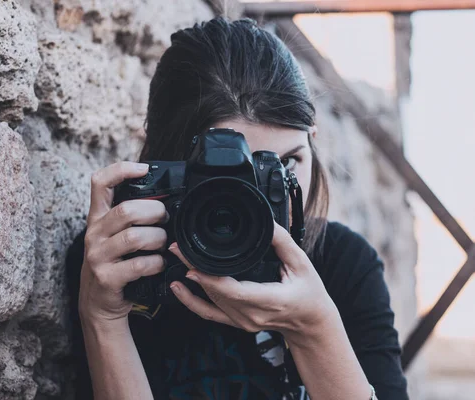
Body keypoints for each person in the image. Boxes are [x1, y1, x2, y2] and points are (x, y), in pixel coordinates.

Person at [66, 17, 409, 400]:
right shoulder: (123, 266)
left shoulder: (344, 263)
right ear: (169, 166)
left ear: (313, 142)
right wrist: (103, 320)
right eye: (238, 180)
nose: (260, 200)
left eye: (286, 166)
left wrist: (315, 330)